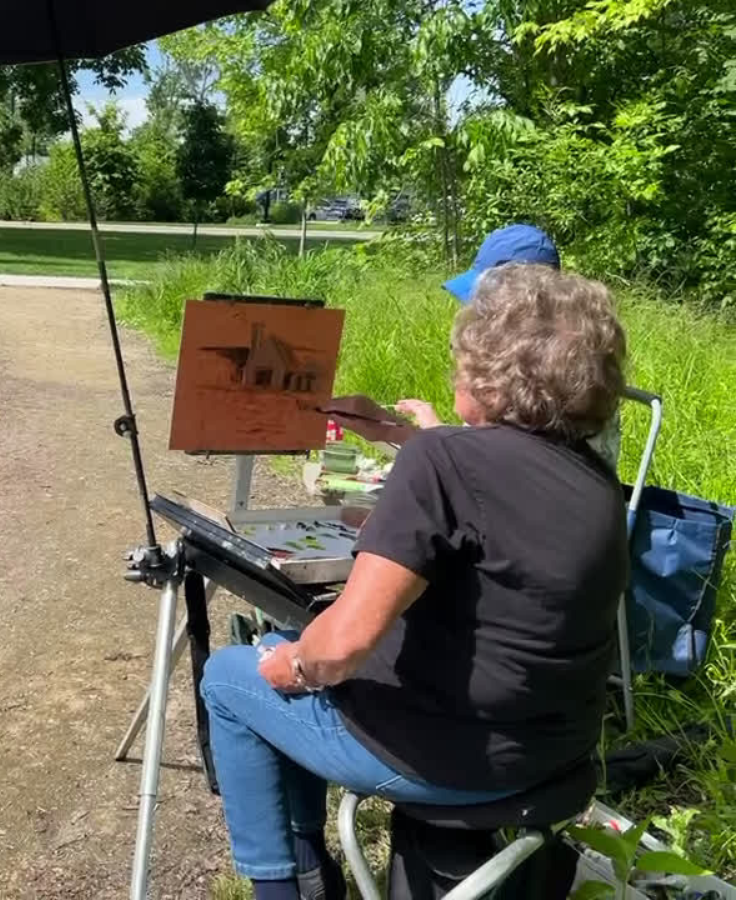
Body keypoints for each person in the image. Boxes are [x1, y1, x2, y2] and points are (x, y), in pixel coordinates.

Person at [200, 263, 629, 900]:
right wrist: (398, 436)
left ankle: (284, 885)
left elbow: (341, 649)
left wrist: (294, 666)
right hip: (555, 755)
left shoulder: (442, 460)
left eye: (463, 358)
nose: (456, 371)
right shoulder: (594, 478)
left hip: (444, 758)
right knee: (289, 645)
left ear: (490, 374)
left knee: (233, 677)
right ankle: (310, 865)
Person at [335, 223, 622, 468]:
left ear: (525, 303)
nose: (476, 315)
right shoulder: (523, 366)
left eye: (486, 304)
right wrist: (390, 428)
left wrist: (409, 433)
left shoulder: (551, 381)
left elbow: (485, 475)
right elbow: (476, 463)